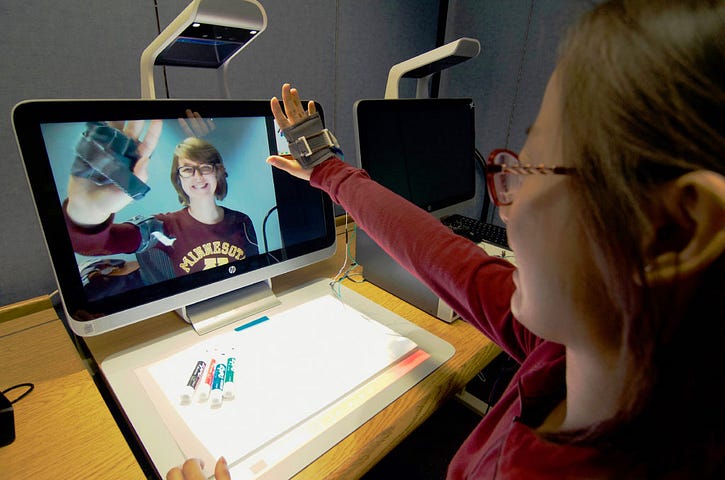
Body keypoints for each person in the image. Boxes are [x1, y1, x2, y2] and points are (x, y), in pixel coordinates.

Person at [168, 0, 723, 478]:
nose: (509, 211)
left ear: (679, 231)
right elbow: (443, 255)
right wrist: (328, 171)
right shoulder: (573, 346)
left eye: (535, 170)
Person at [65, 124, 259, 281]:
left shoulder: (242, 221)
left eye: (205, 167)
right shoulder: (159, 229)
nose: (197, 176)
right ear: (178, 178)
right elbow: (89, 245)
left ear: (217, 172)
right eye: (187, 169)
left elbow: (254, 275)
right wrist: (88, 211)